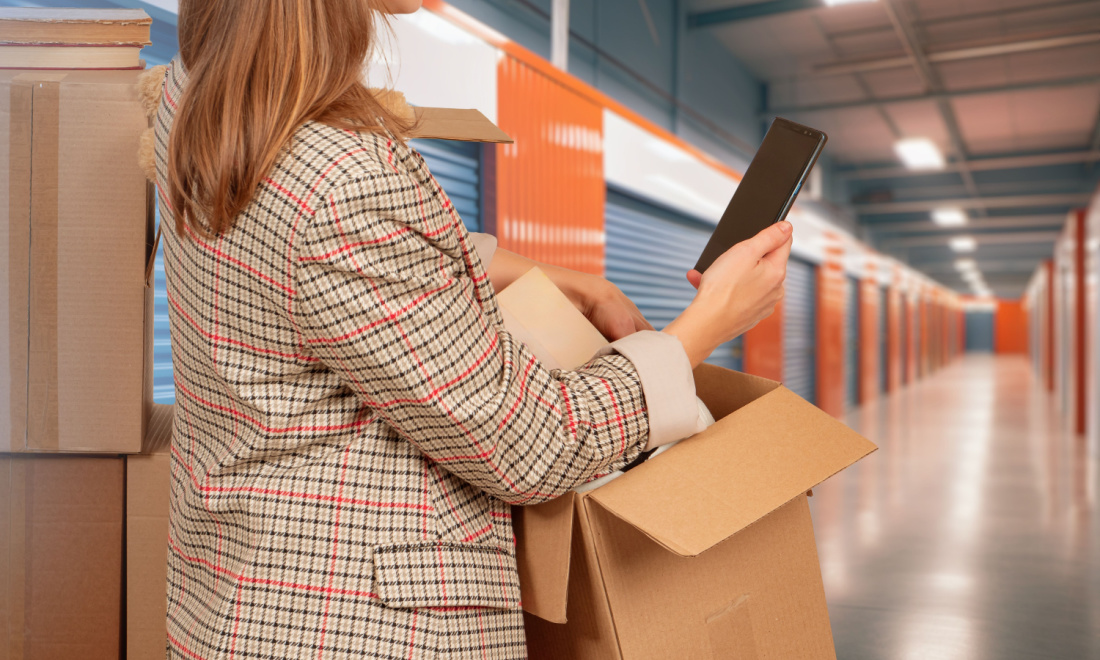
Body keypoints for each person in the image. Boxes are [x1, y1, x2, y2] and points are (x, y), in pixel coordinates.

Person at [154, 0, 792, 657]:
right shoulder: (344, 182)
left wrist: (563, 278)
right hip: (361, 629)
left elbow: (319, 258)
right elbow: (531, 444)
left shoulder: (206, 94)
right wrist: (707, 323)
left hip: (240, 597)